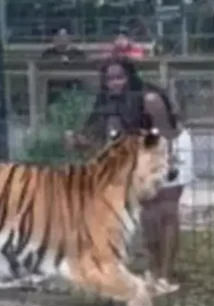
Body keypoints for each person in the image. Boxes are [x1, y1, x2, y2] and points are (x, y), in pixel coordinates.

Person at [66, 57, 195, 285]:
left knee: (166, 210)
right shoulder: (107, 102)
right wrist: (77, 141)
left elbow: (165, 134)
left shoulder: (150, 99)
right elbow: (97, 140)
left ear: (130, 76)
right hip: (140, 150)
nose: (115, 83)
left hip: (170, 145)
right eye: (110, 79)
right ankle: (155, 269)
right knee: (147, 213)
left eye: (120, 77)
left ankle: (165, 275)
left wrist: (166, 165)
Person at [40, 28, 87, 106]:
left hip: (73, 89)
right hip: (54, 89)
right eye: (57, 36)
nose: (59, 39)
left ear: (68, 38)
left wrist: (68, 61)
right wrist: (59, 59)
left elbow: (81, 66)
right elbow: (45, 65)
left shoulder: (77, 53)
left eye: (62, 36)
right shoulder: (48, 53)